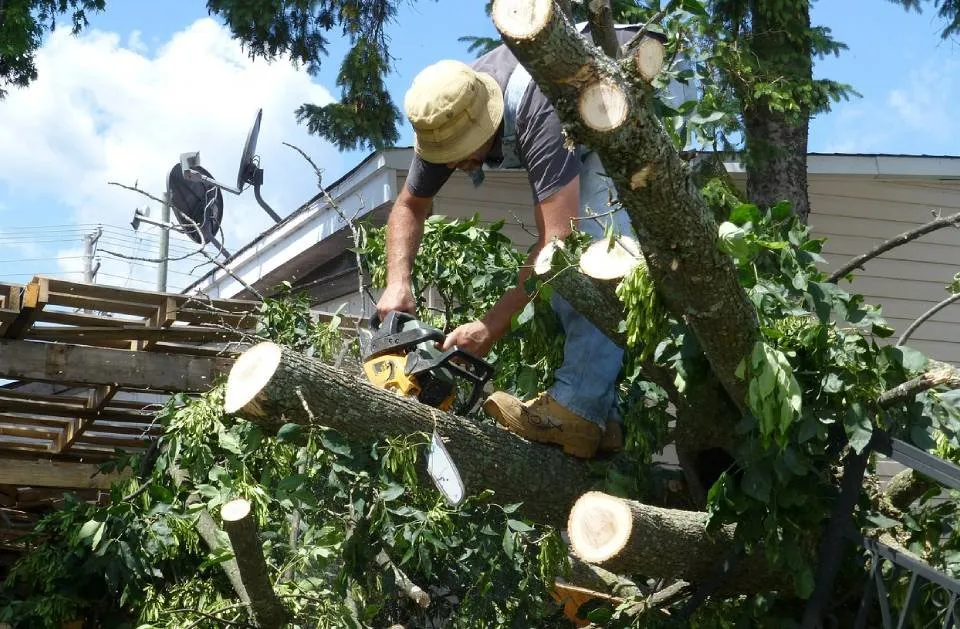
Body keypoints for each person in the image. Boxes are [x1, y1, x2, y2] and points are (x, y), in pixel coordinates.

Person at [376, 37, 637, 459]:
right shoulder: (446, 112)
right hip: (573, 121)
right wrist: (396, 283)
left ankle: (580, 410)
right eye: (447, 156)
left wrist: (490, 325)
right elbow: (409, 206)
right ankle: (605, 419)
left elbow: (558, 242)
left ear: (488, 120)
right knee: (569, 263)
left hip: (610, 104)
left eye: (462, 154)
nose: (456, 164)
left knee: (594, 249)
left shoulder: (540, 107)